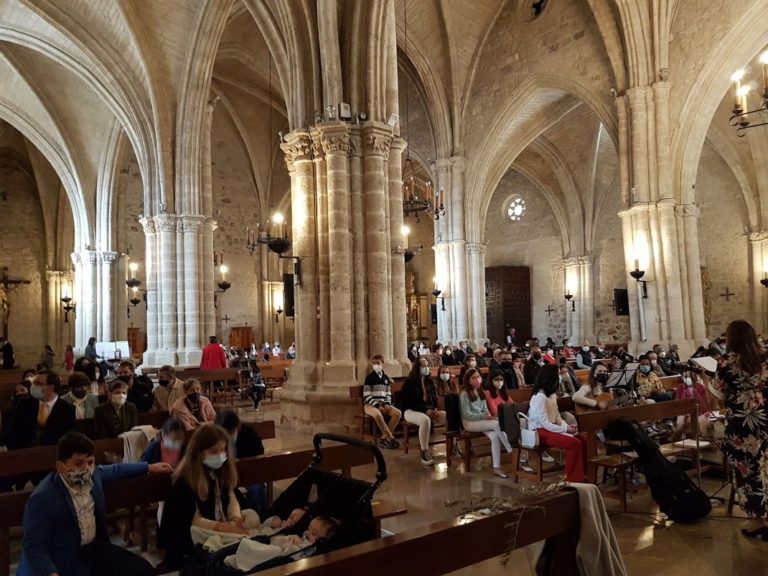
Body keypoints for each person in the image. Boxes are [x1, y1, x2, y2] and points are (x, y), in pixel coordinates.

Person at [17, 431, 171, 576]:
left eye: (90, 462)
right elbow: (35, 547)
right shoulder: (42, 498)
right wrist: (51, 573)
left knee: (143, 570)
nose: (86, 469)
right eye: (78, 464)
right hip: (63, 557)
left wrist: (149, 467)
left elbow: (116, 470)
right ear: (61, 466)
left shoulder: (94, 474)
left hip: (94, 549)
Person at [159, 424, 246, 568]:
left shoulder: (221, 471)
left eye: (223, 450)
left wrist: (235, 519)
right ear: (199, 452)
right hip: (191, 540)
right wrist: (222, 527)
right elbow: (192, 520)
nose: (220, 455)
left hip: (217, 529)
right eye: (214, 451)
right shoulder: (184, 481)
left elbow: (231, 496)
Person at [715, 319, 768, 539]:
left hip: (739, 422)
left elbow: (720, 392)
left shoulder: (726, 361)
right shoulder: (764, 357)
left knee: (745, 470)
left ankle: (757, 520)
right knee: (764, 467)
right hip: (762, 415)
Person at [528, 365, 588, 482]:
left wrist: (566, 426)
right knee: (573, 443)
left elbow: (557, 417)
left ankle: (583, 473)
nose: (560, 377)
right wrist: (565, 430)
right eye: (558, 374)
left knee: (583, 438)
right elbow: (544, 423)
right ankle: (571, 478)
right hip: (539, 431)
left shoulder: (551, 394)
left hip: (550, 428)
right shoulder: (540, 397)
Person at [459, 368, 513, 478]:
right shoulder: (464, 394)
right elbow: (466, 414)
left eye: (478, 377)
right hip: (470, 423)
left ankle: (496, 468)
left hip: (482, 420)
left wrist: (489, 416)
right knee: (497, 424)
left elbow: (484, 409)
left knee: (494, 436)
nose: (477, 380)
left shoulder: (480, 392)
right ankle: (511, 449)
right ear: (468, 380)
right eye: (473, 378)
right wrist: (484, 417)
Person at [6, 370, 76, 450]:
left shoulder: (67, 409)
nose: (33, 386)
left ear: (51, 387)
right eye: (34, 382)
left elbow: (69, 439)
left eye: (38, 383)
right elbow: (12, 432)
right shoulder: (24, 404)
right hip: (24, 452)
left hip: (53, 454)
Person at [400, 357, 446, 466]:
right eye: (423, 366)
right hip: (410, 411)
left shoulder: (429, 381)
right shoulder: (410, 382)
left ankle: (453, 446)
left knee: (446, 415)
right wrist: (426, 410)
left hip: (427, 409)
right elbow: (409, 402)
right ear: (417, 367)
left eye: (427, 366)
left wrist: (434, 408)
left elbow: (433, 398)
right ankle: (424, 452)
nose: (426, 368)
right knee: (425, 420)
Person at [362, 355, 401, 449]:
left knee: (397, 413)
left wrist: (387, 404)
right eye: (374, 363)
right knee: (377, 415)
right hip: (370, 405)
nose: (376, 365)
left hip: (383, 404)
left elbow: (388, 393)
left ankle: (384, 438)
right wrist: (377, 405)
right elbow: (366, 395)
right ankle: (391, 438)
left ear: (382, 363)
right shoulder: (369, 377)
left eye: (378, 363)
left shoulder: (386, 378)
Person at [674, 370, 712, 437]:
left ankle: (695, 438)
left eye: (689, 376)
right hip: (684, 412)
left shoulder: (701, 387)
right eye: (685, 376)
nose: (687, 378)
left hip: (700, 412)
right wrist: (686, 413)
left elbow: (704, 404)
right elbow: (678, 402)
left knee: (694, 422)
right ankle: (676, 439)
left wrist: (694, 390)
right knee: (680, 424)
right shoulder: (680, 387)